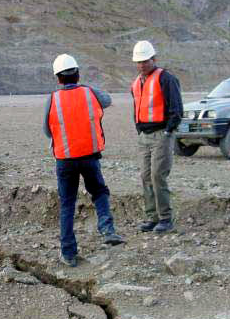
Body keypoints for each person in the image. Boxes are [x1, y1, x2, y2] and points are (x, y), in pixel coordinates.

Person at [43, 54, 124, 267]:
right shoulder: (90, 93)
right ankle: (107, 230)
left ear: (57, 78)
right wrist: (83, 86)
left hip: (65, 159)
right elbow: (107, 99)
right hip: (89, 156)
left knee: (67, 203)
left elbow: (46, 130)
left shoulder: (53, 98)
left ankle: (68, 253)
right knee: (99, 191)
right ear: (77, 73)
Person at [130, 41, 183, 233]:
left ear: (154, 59)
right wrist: (139, 129)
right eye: (139, 62)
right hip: (144, 135)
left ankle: (165, 218)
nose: (142, 65)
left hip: (161, 134)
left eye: (145, 61)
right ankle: (152, 217)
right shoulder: (137, 83)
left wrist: (169, 131)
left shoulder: (166, 78)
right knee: (145, 176)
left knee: (157, 175)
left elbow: (176, 108)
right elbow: (136, 107)